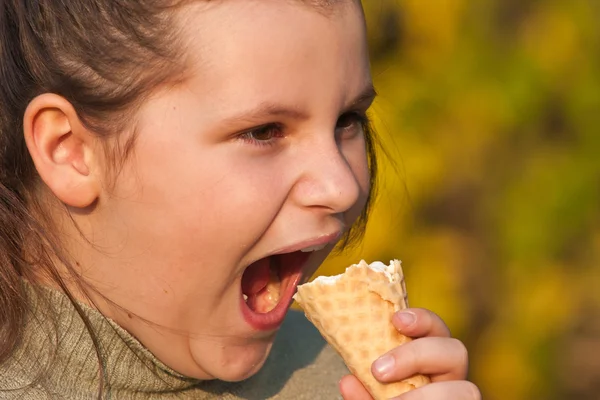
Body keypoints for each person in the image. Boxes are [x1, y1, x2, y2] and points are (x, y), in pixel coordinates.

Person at [0, 1, 481, 399]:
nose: (342, 186)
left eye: (347, 120)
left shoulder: (339, 377)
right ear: (71, 151)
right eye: (263, 131)